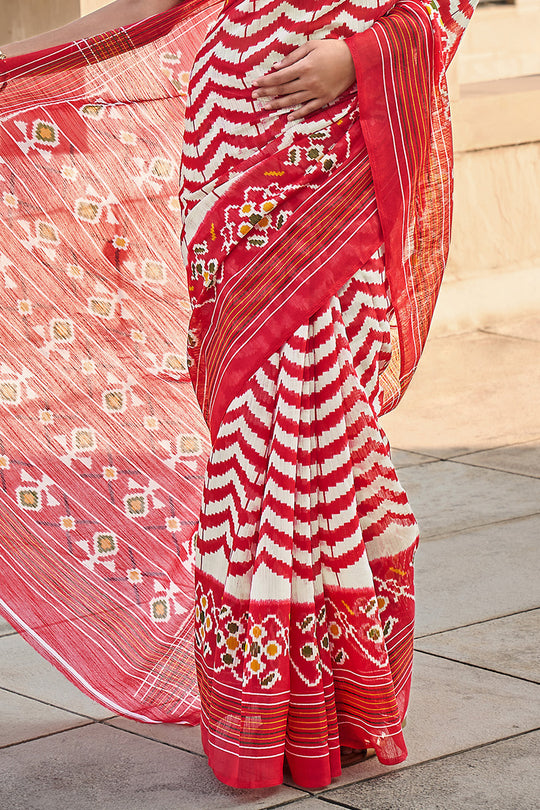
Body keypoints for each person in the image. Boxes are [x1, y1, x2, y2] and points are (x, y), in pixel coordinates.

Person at [0, 0, 477, 791]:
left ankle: (343, 703)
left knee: (322, 429)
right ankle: (266, 712)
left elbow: (448, 9)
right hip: (229, 162)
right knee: (259, 442)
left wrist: (357, 57)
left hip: (339, 160)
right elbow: (153, 8)